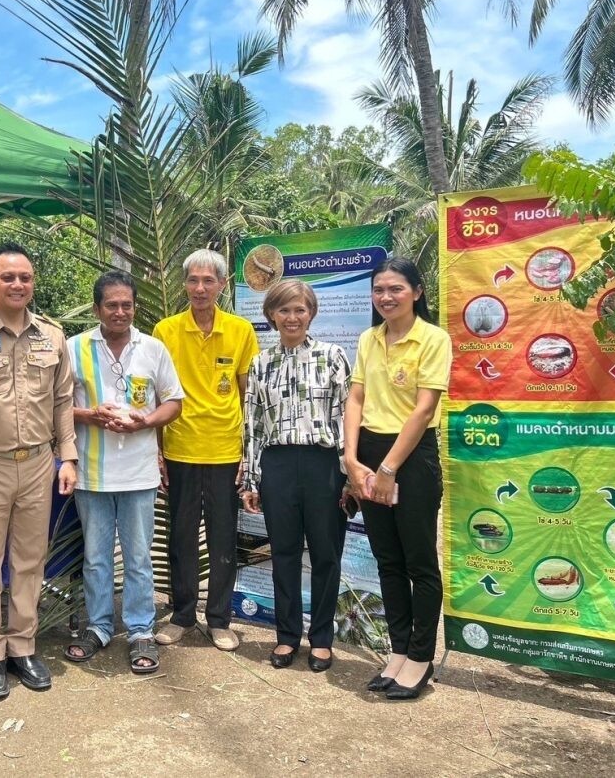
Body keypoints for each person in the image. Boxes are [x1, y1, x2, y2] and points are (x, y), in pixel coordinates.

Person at [0, 241, 78, 701]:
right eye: (7, 277)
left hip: (38, 464)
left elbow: (63, 399)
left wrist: (66, 457)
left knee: (30, 562)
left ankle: (22, 647)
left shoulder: (52, 335)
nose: (17, 284)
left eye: (24, 277)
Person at [63, 271, 184, 674]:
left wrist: (145, 421)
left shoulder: (152, 348)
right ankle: (98, 627)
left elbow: (174, 402)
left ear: (134, 307)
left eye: (127, 305)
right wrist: (88, 415)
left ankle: (139, 630)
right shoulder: (73, 348)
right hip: (92, 474)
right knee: (96, 559)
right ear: (97, 308)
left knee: (137, 558)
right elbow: (54, 405)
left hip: (138, 474)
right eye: (111, 305)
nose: (120, 312)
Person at [343, 258, 451, 701]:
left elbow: (424, 409)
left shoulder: (434, 339)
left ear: (417, 292)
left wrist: (388, 469)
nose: (386, 297)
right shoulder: (369, 338)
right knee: (387, 560)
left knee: (419, 562)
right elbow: (356, 396)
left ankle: (422, 657)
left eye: (396, 289)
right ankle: (400, 650)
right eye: (378, 290)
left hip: (410, 458)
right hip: (368, 454)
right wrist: (351, 459)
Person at [240, 279, 352, 672]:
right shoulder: (259, 363)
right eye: (284, 310)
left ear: (312, 313)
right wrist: (251, 479)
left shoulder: (333, 356)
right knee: (283, 554)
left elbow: (346, 418)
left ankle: (321, 639)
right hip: (278, 465)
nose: (292, 317)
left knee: (325, 554)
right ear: (271, 314)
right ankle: (287, 637)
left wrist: (349, 473)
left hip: (324, 465)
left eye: (299, 309)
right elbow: (252, 424)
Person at [152, 249, 259, 651]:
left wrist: (248, 454)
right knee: (179, 537)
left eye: (208, 281)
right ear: (185, 284)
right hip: (179, 449)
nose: (200, 288)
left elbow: (250, 397)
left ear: (222, 285)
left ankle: (219, 619)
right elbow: (155, 397)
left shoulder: (240, 330)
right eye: (193, 281)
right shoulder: (165, 330)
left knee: (221, 539)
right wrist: (157, 452)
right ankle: (181, 615)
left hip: (225, 452)